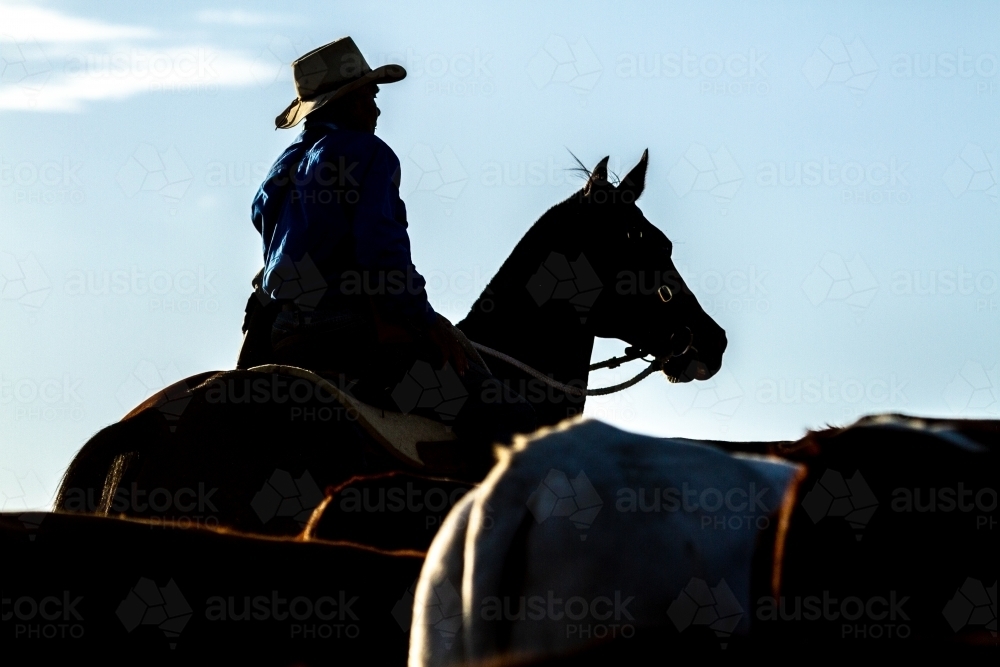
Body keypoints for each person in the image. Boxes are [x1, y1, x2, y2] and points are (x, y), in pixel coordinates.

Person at [240, 37, 535, 460]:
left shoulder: (281, 170)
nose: (377, 110)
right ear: (344, 102)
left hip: (284, 336)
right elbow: (382, 256)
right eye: (370, 96)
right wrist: (427, 320)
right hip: (348, 334)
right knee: (511, 417)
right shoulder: (368, 154)